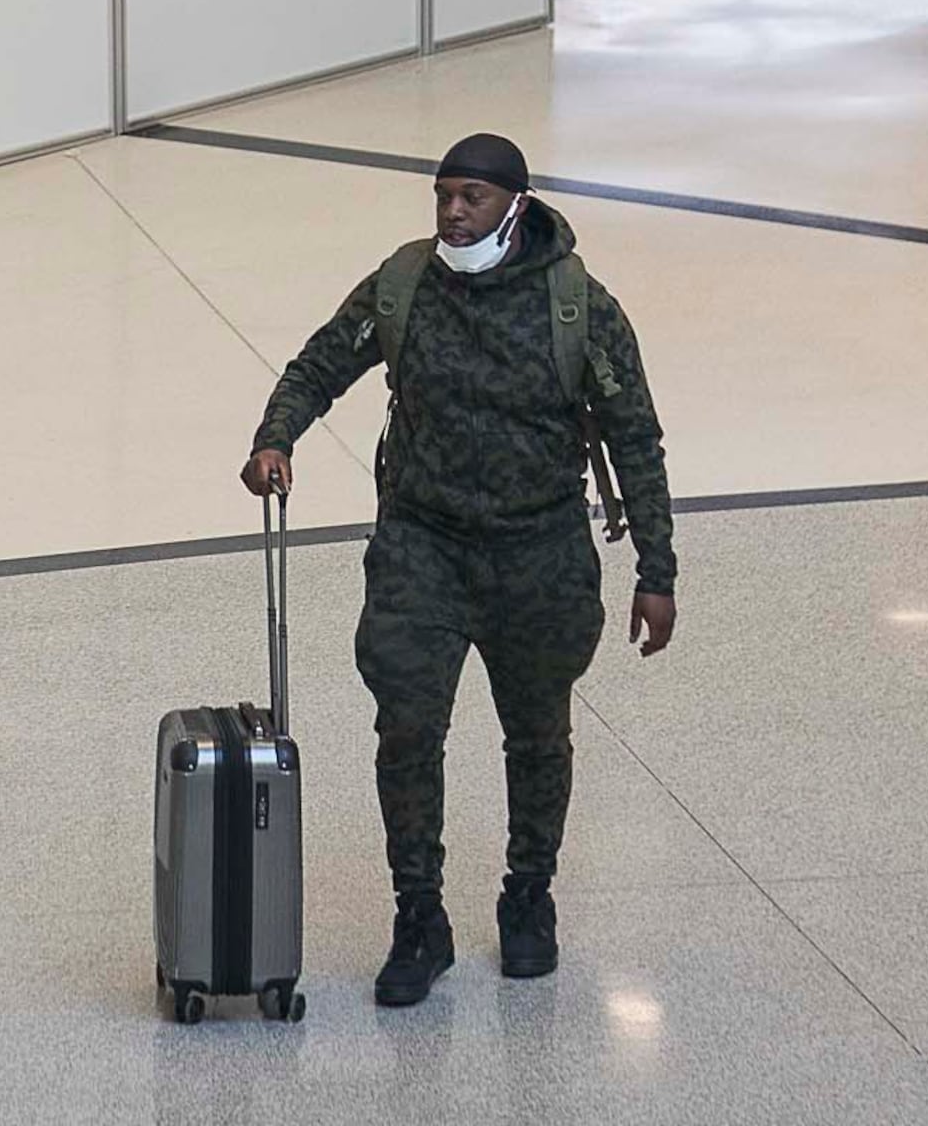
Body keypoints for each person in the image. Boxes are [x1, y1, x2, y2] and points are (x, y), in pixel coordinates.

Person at [239, 134, 677, 1008]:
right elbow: (321, 361)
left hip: (539, 552)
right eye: (443, 195)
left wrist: (656, 569)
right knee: (405, 731)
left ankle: (529, 898)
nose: (451, 212)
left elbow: (635, 437)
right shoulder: (404, 287)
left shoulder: (578, 307)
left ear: (515, 205)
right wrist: (275, 435)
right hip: (422, 546)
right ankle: (419, 917)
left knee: (539, 736)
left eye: (472, 197)